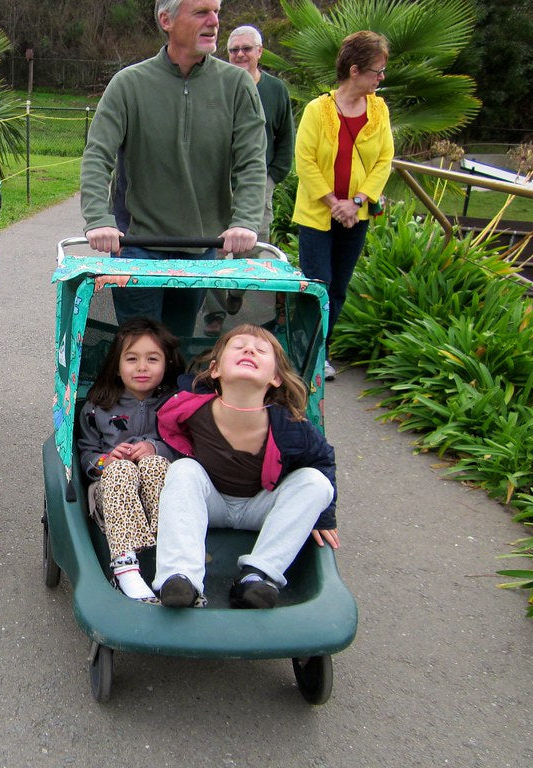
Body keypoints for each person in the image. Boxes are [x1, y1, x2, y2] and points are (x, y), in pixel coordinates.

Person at [80, 0, 267, 330]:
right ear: (166, 20)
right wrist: (98, 218)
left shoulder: (237, 86)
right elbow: (98, 154)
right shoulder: (128, 84)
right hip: (137, 245)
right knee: (141, 346)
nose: (214, 21)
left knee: (179, 342)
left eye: (216, 11)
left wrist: (246, 222)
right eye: (201, 12)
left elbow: (251, 162)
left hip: (201, 247)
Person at [151, 324, 339, 609]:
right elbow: (164, 429)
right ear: (215, 369)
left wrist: (323, 516)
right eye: (239, 347)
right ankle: (180, 576)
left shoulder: (290, 425)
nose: (249, 350)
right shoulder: (189, 409)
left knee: (316, 482)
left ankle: (257, 575)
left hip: (260, 506)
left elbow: (322, 459)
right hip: (210, 501)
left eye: (261, 350)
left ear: (275, 377)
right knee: (183, 470)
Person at [293, 30, 394, 381]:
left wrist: (357, 202)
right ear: (355, 71)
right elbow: (305, 161)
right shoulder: (317, 110)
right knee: (316, 284)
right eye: (377, 71)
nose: (381, 78)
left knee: (337, 288)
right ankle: (300, 351)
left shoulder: (379, 110)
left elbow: (384, 160)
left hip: (356, 215)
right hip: (317, 214)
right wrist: (333, 202)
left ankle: (320, 351)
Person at [76, 318, 185, 603]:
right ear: (118, 365)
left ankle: (169, 558)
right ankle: (124, 568)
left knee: (154, 463)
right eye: (132, 359)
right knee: (122, 468)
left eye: (152, 359)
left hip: (160, 497)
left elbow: (188, 448)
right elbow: (86, 453)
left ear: (166, 364)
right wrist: (107, 460)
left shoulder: (176, 403)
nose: (142, 367)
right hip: (109, 492)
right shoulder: (98, 406)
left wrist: (155, 448)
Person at [204, 24, 296, 335]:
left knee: (252, 245)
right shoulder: (217, 84)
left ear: (259, 51)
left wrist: (273, 176)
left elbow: (285, 137)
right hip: (216, 182)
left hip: (256, 183)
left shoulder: (275, 90)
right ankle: (213, 312)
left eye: (246, 49)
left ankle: (237, 291)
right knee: (211, 247)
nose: (240, 54)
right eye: (234, 50)